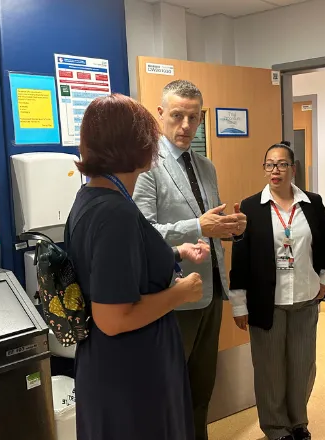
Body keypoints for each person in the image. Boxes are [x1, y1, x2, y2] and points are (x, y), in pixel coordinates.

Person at [66, 93, 210, 440]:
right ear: (140, 147)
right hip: (131, 372)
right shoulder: (116, 213)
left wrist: (174, 253)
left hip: (111, 366)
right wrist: (180, 292)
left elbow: (117, 267)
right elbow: (113, 318)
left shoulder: (91, 199)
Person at [134, 79, 247, 440]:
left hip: (211, 293)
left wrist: (232, 228)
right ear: (161, 114)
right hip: (173, 295)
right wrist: (199, 224)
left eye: (194, 118)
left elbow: (210, 227)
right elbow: (144, 233)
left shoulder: (206, 166)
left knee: (202, 390)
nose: (185, 126)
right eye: (178, 115)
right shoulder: (146, 166)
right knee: (169, 393)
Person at [229, 142, 325, 440]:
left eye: (281, 164)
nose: (275, 170)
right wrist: (239, 304)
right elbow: (240, 258)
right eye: (269, 164)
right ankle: (276, 428)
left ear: (293, 168)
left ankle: (298, 422)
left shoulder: (312, 203)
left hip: (305, 297)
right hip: (267, 302)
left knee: (302, 366)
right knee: (269, 369)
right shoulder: (251, 206)